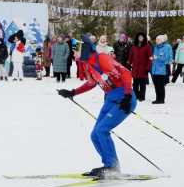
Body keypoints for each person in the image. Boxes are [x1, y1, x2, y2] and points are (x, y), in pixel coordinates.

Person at [57, 46, 136, 178]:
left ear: (83, 51)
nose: (73, 53)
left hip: (123, 98)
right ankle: (108, 166)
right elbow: (91, 83)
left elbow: (126, 72)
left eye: (75, 51)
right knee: (95, 134)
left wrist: (127, 96)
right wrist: (73, 92)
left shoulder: (101, 58)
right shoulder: (87, 64)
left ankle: (113, 167)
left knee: (102, 130)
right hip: (110, 98)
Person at [128, 32, 152, 101]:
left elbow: (150, 58)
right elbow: (130, 56)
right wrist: (129, 63)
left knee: (142, 84)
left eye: (142, 37)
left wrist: (148, 67)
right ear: (137, 38)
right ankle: (136, 96)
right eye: (139, 37)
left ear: (144, 38)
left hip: (143, 69)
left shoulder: (147, 46)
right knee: (135, 84)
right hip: (135, 68)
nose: (140, 38)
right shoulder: (134, 46)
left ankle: (142, 97)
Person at [151, 35, 173, 104]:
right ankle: (157, 98)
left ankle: (161, 99)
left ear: (162, 41)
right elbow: (154, 56)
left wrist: (157, 58)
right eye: (156, 39)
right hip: (154, 69)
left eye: (158, 40)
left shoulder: (165, 48)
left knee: (160, 86)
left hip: (161, 70)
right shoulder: (155, 47)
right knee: (156, 86)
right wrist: (152, 58)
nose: (156, 41)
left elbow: (165, 58)